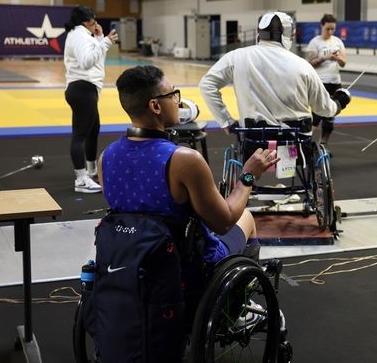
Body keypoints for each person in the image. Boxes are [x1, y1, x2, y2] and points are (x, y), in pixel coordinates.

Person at [99, 65, 279, 270]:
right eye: (174, 95)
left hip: (131, 263)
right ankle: (243, 292)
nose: (178, 102)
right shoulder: (184, 160)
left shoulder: (105, 158)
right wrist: (248, 176)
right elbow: (224, 222)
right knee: (245, 217)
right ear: (155, 106)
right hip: (185, 267)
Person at [199, 11, 350, 135]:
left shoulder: (237, 57)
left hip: (255, 140)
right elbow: (324, 109)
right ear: (288, 34)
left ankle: (250, 174)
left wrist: (226, 120)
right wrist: (339, 101)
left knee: (250, 169)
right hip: (296, 140)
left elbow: (207, 85)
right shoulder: (302, 65)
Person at [63, 5, 117, 193]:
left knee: (93, 130)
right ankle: (81, 180)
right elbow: (86, 62)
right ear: (85, 21)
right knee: (80, 135)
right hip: (82, 89)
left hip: (87, 89)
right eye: (92, 20)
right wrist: (106, 42)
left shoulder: (85, 35)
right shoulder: (79, 35)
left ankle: (91, 171)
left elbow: (96, 59)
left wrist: (101, 39)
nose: (95, 22)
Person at [304, 14, 347, 149]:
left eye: (332, 29)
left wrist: (338, 58)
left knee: (330, 116)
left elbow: (344, 63)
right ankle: (306, 143)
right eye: (327, 29)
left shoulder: (338, 42)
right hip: (320, 82)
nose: (330, 32)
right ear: (322, 26)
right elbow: (309, 63)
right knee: (316, 115)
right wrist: (325, 57)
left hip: (335, 81)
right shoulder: (315, 42)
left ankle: (323, 145)